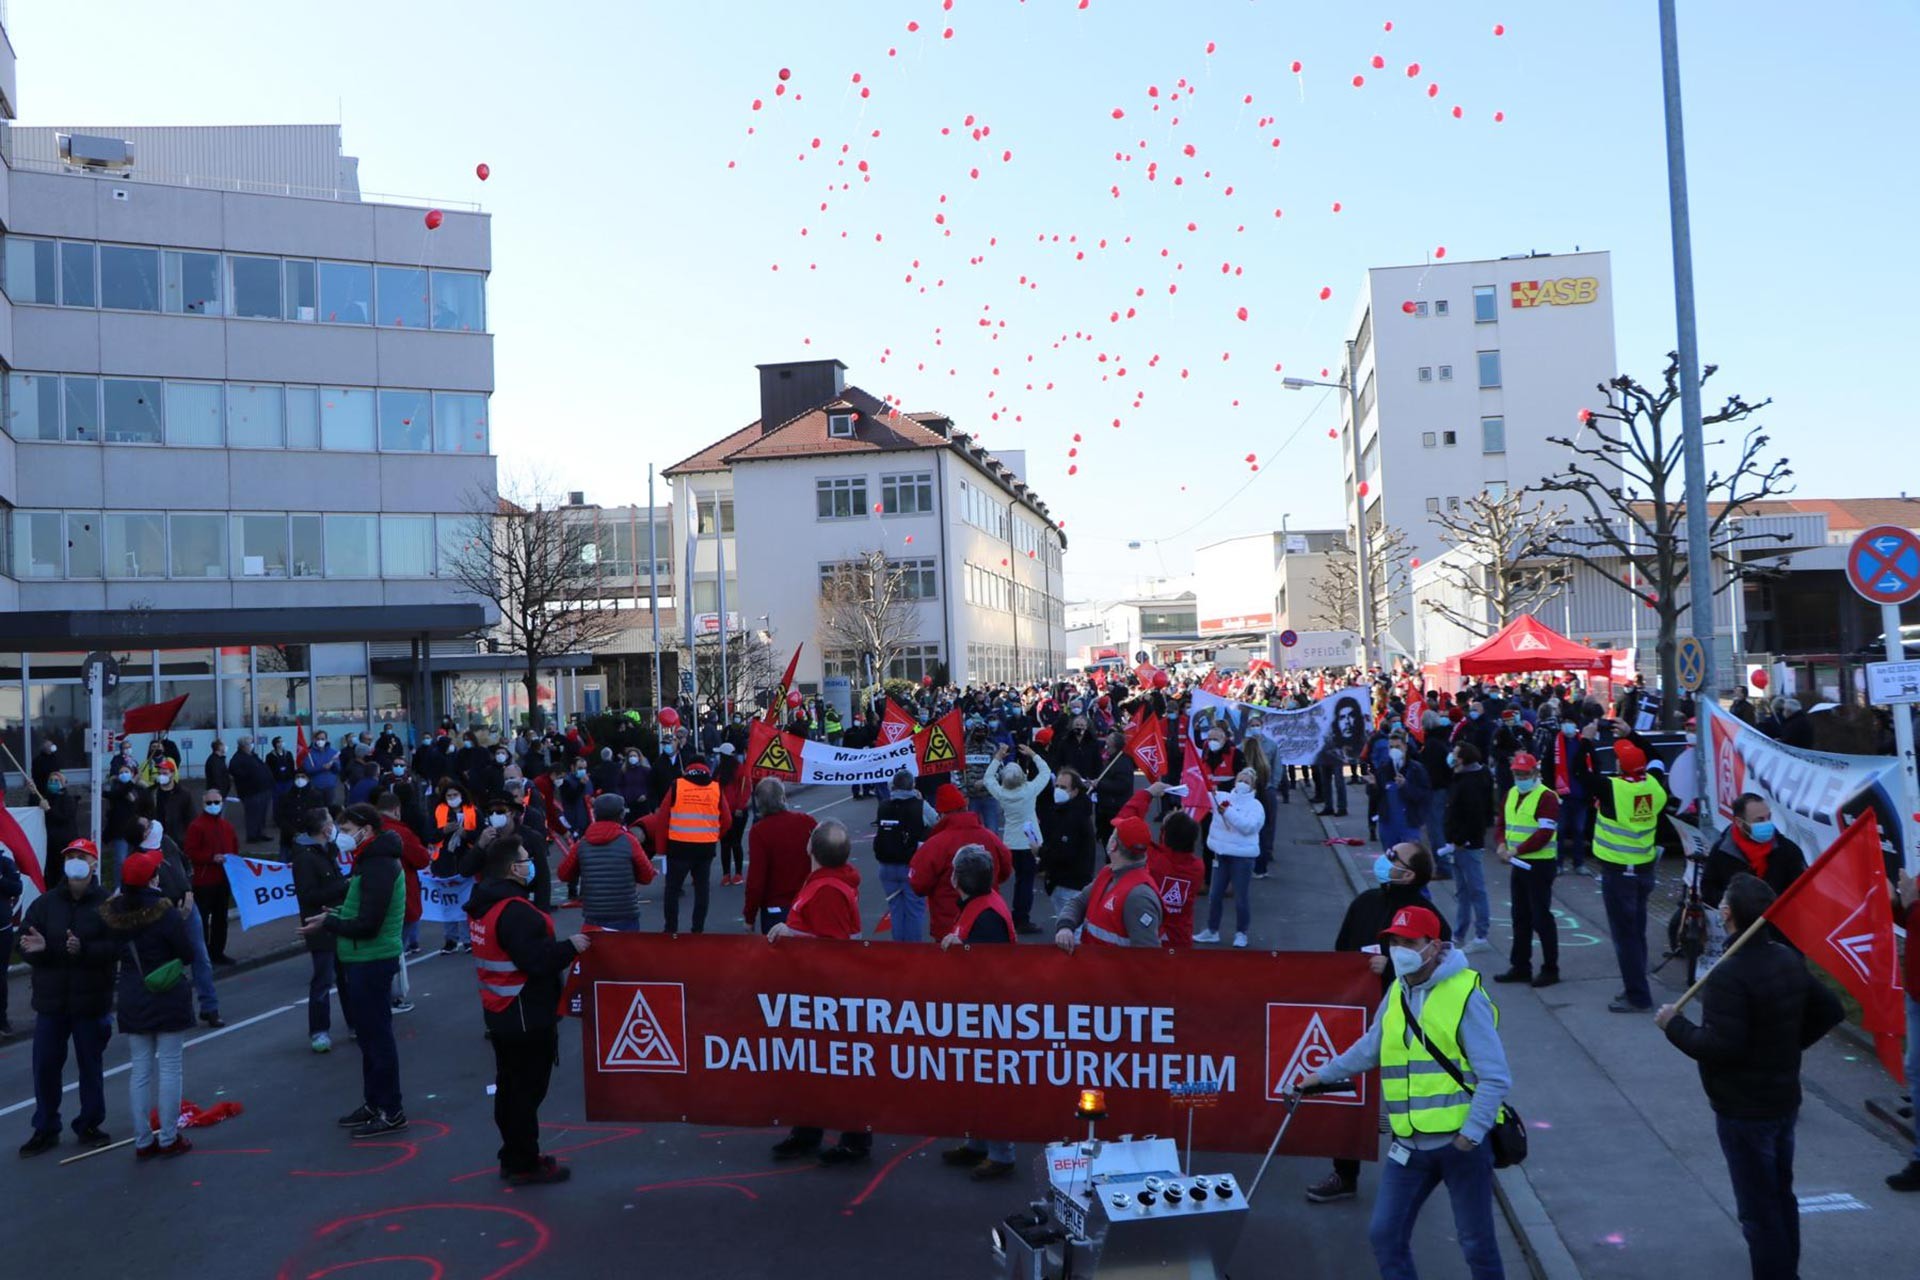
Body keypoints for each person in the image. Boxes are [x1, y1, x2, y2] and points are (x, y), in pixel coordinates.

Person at [1299, 905, 1511, 1280]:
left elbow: (1495, 1077)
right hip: (1409, 1145)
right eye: (1394, 941)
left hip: (1460, 1146)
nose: (1399, 949)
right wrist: (1319, 1076)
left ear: (1435, 946)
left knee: (1476, 1244)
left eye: (1409, 942)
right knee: (1385, 1235)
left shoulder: (1464, 993)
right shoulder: (1397, 989)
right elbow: (1371, 1047)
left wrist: (1469, 1135)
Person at [1656, 874, 1844, 1280]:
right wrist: (1787, 1048)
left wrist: (1674, 1025)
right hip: (1781, 1100)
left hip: (1744, 1109)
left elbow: (1719, 1046)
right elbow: (1830, 1010)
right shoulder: (1786, 958)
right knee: (1780, 1195)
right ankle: (1786, 1269)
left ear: (1726, 913)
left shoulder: (1729, 975)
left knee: (1759, 1209)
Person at [1308, 844, 1451, 1205]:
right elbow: (1341, 953)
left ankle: (1414, 1175)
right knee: (1349, 1097)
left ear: (1409, 874)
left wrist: (1390, 967)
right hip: (1356, 1017)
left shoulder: (1429, 917)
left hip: (1407, 1026)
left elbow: (1439, 972)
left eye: (1393, 857)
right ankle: (1344, 1173)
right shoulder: (1365, 903)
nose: (1384, 860)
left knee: (1403, 1105)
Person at [466, 833, 592, 1185]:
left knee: (510, 1087)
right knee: (526, 1091)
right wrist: (571, 947)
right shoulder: (516, 911)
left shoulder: (484, 902)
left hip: (501, 1011)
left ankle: (514, 1153)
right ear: (512, 869)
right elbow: (537, 960)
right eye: (525, 858)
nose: (531, 863)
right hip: (525, 1012)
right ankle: (524, 1161)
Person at [300, 804, 407, 1139]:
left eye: (346, 830)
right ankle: (374, 1103)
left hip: (372, 959)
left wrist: (331, 921)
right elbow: (360, 907)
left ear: (367, 829)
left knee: (378, 1038)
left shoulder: (378, 864)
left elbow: (369, 923)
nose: (341, 836)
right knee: (369, 1038)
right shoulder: (368, 860)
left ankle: (391, 1109)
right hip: (362, 958)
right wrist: (336, 912)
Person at [769, 821, 870, 1164]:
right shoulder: (825, 882)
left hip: (827, 994)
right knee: (811, 1065)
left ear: (812, 848)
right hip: (813, 991)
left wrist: (790, 935)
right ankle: (808, 1128)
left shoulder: (827, 889)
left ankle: (855, 1138)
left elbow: (833, 948)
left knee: (835, 1067)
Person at [17, 840, 117, 1156]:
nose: (75, 861)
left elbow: (116, 947)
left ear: (94, 864)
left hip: (90, 1002)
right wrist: (41, 951)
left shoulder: (107, 904)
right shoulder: (46, 904)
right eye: (70, 857)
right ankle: (45, 1127)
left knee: (90, 1066)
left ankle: (89, 1123)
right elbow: (27, 942)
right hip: (52, 1003)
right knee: (45, 1067)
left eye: (81, 857)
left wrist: (84, 950)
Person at [101, 849, 196, 1159]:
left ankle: (142, 1140)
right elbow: (187, 952)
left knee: (140, 1070)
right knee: (170, 1067)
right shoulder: (165, 911)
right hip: (166, 992)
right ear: (152, 879)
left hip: (132, 993)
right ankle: (169, 1137)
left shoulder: (113, 915)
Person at [935, 844, 1019, 1180]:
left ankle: (1001, 1154)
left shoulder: (985, 915)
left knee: (989, 1085)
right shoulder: (977, 906)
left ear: (958, 879)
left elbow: (990, 973)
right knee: (974, 1082)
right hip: (975, 1015)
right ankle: (977, 1144)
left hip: (989, 1018)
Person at [1577, 726, 1669, 1012]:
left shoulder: (1613, 789)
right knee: (1636, 932)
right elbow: (1657, 758)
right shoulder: (1654, 785)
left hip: (1619, 875)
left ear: (1619, 766)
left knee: (1625, 937)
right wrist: (1633, 735)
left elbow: (1578, 772)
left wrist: (1586, 740)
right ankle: (1636, 985)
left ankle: (1638, 995)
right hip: (1644, 871)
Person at [909, 783, 1014, 941]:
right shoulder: (990, 837)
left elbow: (918, 884)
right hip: (988, 917)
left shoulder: (935, 844)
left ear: (942, 814)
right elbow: (1005, 870)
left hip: (948, 926)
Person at [1492, 753, 1562, 988]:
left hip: (1539, 864)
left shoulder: (1547, 797)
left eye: (1524, 774)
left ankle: (1550, 968)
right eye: (1517, 774)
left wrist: (1515, 850)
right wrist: (1501, 843)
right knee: (1520, 916)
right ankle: (1521, 965)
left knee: (1541, 917)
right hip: (1519, 863)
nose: (1520, 777)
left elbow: (1544, 834)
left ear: (1535, 774)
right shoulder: (1512, 793)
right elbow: (1501, 822)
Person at [1052, 816, 1163, 951]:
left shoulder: (1139, 896)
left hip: (1111, 971)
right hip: (1093, 967)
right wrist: (1065, 926)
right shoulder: (1108, 873)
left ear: (1113, 845)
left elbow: (1148, 957)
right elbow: (1079, 902)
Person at [292, 808, 352, 1052]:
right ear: (325, 829)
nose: (335, 827)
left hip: (337, 921)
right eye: (331, 823)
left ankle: (355, 1023)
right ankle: (319, 1031)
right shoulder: (306, 858)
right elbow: (308, 895)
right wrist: (342, 886)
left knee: (347, 978)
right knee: (323, 980)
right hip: (320, 926)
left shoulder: (327, 851)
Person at [555, 794, 657, 932]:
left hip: (594, 914)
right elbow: (647, 876)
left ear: (595, 814)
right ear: (621, 815)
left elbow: (563, 874)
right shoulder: (629, 841)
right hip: (625, 912)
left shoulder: (583, 843)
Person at [657, 753, 730, 934]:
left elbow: (662, 819)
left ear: (687, 769)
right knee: (701, 890)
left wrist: (661, 848)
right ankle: (697, 930)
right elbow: (727, 820)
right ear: (706, 768)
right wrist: (713, 835)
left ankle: (670, 929)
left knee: (672, 891)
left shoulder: (677, 786)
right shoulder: (716, 788)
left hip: (678, 847)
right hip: (705, 848)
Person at [1120, 786, 1201, 947]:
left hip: (1151, 936)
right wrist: (1182, 822)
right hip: (1181, 941)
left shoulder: (1153, 859)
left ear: (1164, 834)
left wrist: (1148, 793)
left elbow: (1126, 823)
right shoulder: (1197, 868)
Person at [985, 744, 1053, 933]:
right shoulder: (1030, 790)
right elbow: (1046, 772)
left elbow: (988, 778)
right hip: (1030, 843)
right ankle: (1021, 918)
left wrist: (998, 757)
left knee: (1016, 879)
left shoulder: (1001, 793)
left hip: (1010, 842)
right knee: (1026, 881)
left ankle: (1009, 914)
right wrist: (1033, 755)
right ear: (1023, 777)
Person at [1195, 766, 1264, 947]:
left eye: (1246, 781)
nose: (1242, 784)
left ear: (1252, 786)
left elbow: (1248, 827)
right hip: (1221, 855)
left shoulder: (1256, 807)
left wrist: (1228, 812)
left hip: (1243, 859)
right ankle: (1212, 930)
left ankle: (1241, 933)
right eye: (1239, 780)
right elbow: (1200, 795)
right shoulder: (1223, 797)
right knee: (1215, 895)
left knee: (1241, 898)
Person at [1700, 794, 1807, 907]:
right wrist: (1735, 904)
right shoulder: (1721, 851)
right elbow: (1708, 890)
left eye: (1768, 818)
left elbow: (1803, 889)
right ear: (1739, 822)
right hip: (1738, 921)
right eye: (1759, 820)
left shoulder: (1787, 850)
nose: (1767, 824)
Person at [742, 779, 818, 934]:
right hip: (808, 901)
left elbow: (756, 880)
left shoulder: (759, 831)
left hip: (777, 908)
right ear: (783, 797)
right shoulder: (807, 821)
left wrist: (750, 917)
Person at [1443, 742, 1496, 953]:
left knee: (1475, 890)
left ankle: (1481, 935)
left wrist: (1461, 839)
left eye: (1455, 754)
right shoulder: (1462, 777)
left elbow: (1474, 816)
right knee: (1463, 891)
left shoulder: (1470, 781)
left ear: (1462, 758)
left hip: (1466, 844)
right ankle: (1459, 933)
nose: (1451, 757)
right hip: (1458, 843)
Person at [873, 771, 932, 943]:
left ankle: (899, 948)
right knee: (914, 910)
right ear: (912, 786)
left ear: (893, 786)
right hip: (911, 865)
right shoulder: (920, 805)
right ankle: (913, 952)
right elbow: (936, 822)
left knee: (896, 910)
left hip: (886, 865)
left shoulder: (884, 805)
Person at [183, 788, 239, 966]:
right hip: (204, 881)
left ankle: (217, 952)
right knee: (203, 920)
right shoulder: (196, 826)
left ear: (222, 803)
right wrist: (211, 857)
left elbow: (235, 849)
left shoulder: (226, 826)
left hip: (223, 880)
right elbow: (190, 852)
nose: (213, 805)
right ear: (203, 804)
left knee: (220, 919)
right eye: (209, 802)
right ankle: (202, 953)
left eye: (216, 802)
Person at [1890, 866, 1920, 1192]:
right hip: (1916, 994)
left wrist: (1910, 905)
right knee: (1915, 1068)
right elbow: (1910, 925)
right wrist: (1895, 904)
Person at [1037, 765, 1098, 926]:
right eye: (1056, 786)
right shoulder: (1063, 811)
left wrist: (1041, 852)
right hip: (1063, 882)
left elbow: (1064, 853)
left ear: (1075, 791)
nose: (1058, 790)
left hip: (1070, 884)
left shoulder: (1074, 816)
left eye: (1063, 787)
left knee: (1071, 932)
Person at [430, 780, 480, 954]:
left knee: (466, 902)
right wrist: (443, 831)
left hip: (466, 862)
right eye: (449, 796)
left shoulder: (473, 811)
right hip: (444, 863)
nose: (452, 799)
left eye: (455, 795)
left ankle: (468, 940)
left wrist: (465, 834)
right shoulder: (438, 812)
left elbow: (480, 835)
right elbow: (428, 834)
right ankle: (450, 940)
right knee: (448, 903)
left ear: (462, 795)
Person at [716, 743, 752, 886]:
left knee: (735, 842)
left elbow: (746, 789)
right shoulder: (719, 772)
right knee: (725, 844)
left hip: (737, 813)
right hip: (724, 813)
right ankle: (726, 874)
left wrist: (740, 807)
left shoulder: (740, 770)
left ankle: (737, 873)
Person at [230, 739, 274, 843]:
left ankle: (261, 833)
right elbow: (236, 772)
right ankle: (252, 836)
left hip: (263, 790)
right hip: (251, 792)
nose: (252, 745)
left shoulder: (253, 756)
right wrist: (251, 778)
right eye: (250, 743)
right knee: (252, 815)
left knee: (261, 814)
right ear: (244, 746)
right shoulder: (238, 758)